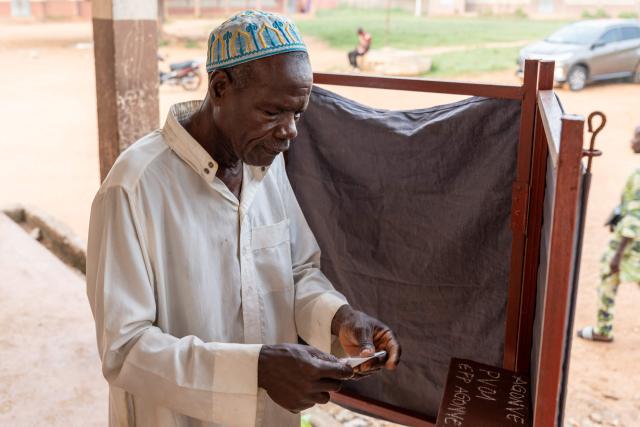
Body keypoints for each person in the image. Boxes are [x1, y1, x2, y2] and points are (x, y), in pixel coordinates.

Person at [86, 10, 400, 427]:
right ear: (219, 89)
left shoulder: (264, 166)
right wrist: (256, 370)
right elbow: (124, 349)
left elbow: (297, 271)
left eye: (298, 114)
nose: (290, 132)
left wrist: (338, 318)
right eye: (273, 112)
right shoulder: (133, 188)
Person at [578, 126, 640, 342]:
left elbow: (635, 217)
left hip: (631, 244)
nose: (632, 141)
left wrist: (618, 254)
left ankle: (603, 330)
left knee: (608, 276)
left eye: (636, 137)